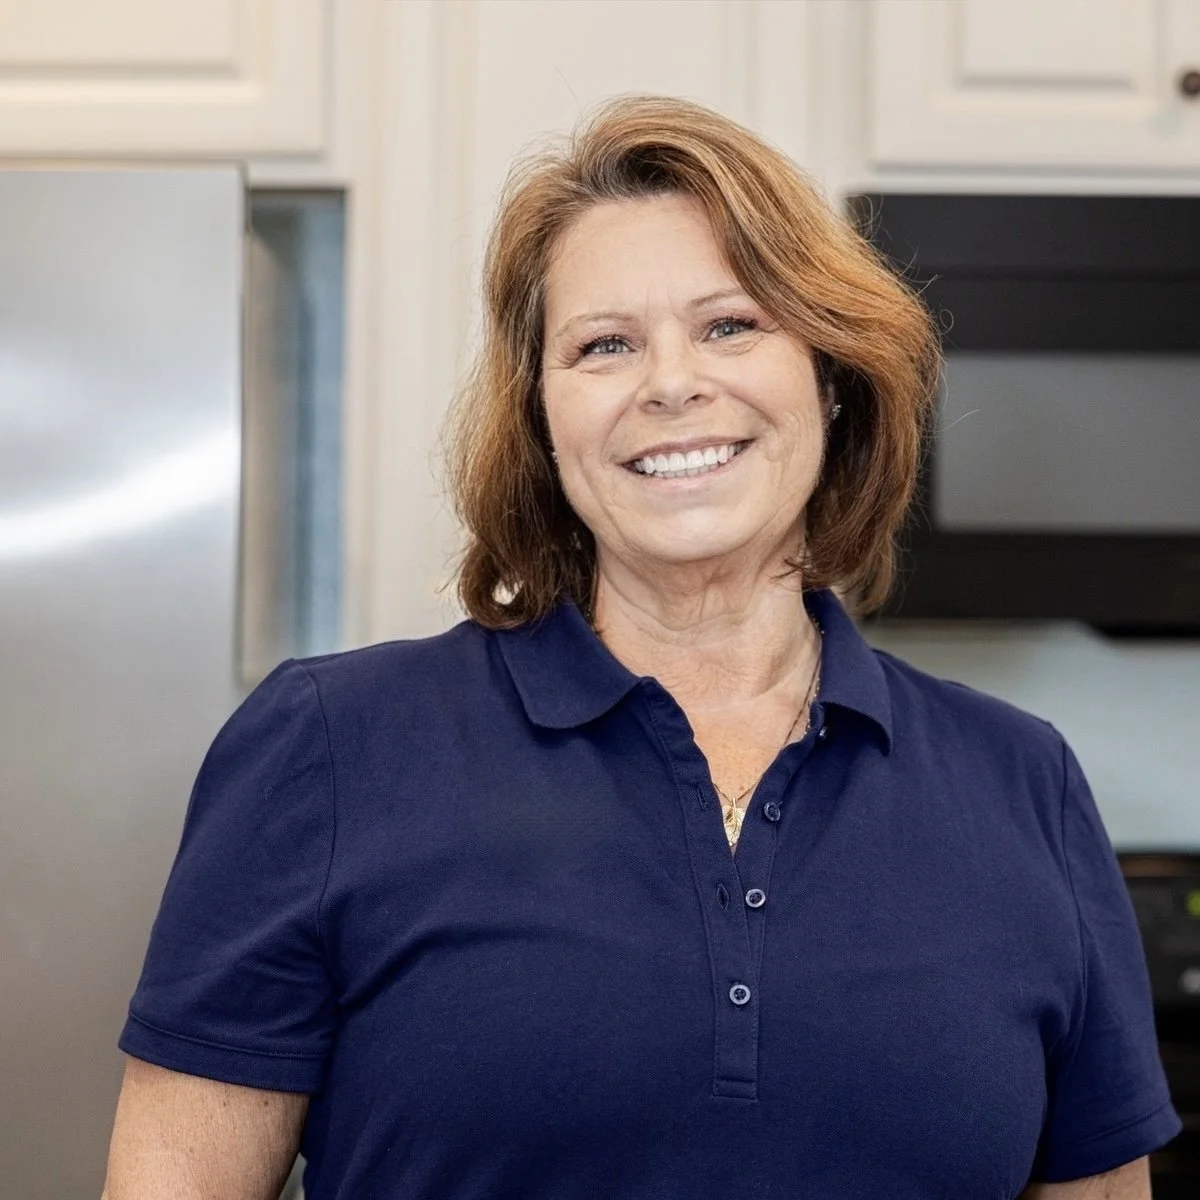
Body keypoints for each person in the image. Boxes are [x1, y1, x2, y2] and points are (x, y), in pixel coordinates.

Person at [102, 96, 1180, 1200]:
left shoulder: (1024, 783)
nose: (670, 383)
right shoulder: (329, 751)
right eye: (605, 345)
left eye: (731, 326)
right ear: (542, 420)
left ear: (831, 381)